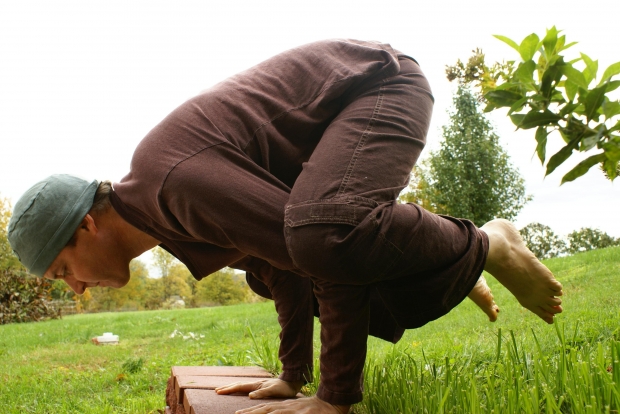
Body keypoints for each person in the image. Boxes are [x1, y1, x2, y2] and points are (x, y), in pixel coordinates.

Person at [8, 39, 563, 414]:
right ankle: (455, 252)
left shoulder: (173, 185)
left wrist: (333, 397)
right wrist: (292, 374)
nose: (76, 287)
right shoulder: (168, 219)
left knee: (324, 237)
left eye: (62, 270)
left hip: (376, 84)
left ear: (86, 226)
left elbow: (318, 249)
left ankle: (486, 243)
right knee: (275, 267)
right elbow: (284, 265)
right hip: (340, 131)